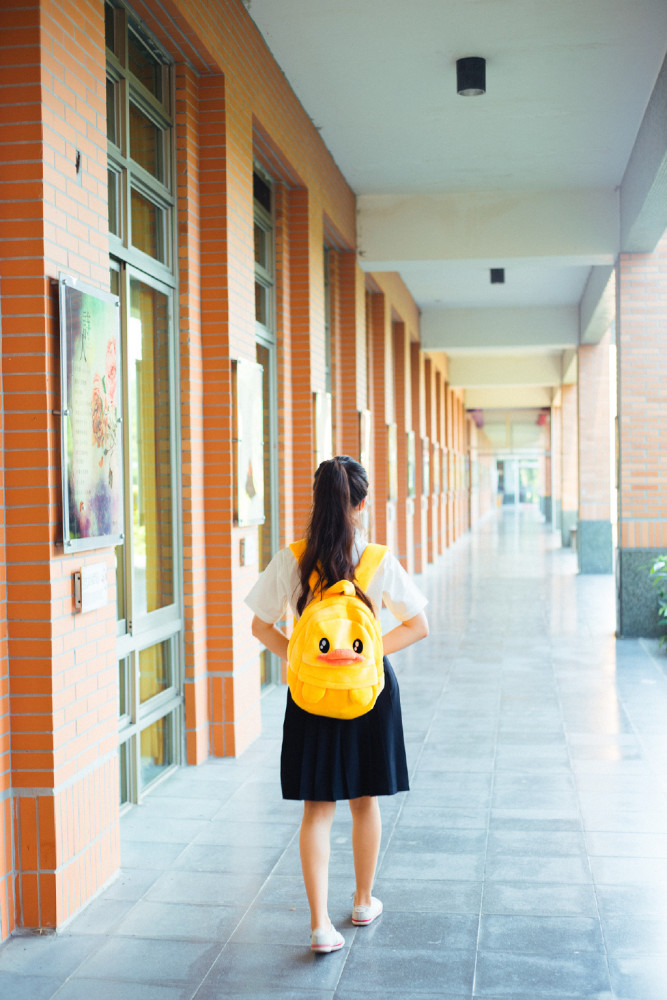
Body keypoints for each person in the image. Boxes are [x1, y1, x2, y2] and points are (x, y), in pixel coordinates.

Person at [245, 456, 429, 953]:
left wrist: (304, 661)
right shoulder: (377, 560)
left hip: (312, 695)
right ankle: (364, 900)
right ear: (362, 503)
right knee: (364, 799)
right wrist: (363, 657)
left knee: (317, 809)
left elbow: (260, 625)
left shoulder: (294, 558)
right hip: (368, 695)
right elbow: (418, 624)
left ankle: (319, 925)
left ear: (317, 499)